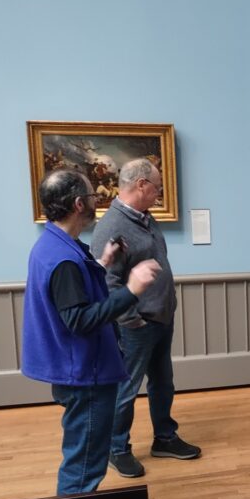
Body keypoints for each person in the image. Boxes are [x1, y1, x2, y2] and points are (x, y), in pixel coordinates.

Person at [22, 169, 160, 495]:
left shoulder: (52, 246)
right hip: (84, 374)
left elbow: (73, 292)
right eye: (93, 196)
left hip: (76, 370)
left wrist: (102, 262)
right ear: (78, 203)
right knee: (84, 463)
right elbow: (80, 320)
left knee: (82, 453)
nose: (98, 201)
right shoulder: (63, 260)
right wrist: (132, 290)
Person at [91, 158, 200, 478]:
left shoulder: (146, 219)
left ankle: (164, 438)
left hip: (161, 317)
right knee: (126, 389)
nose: (159, 193)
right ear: (141, 185)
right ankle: (116, 448)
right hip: (136, 324)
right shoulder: (111, 226)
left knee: (163, 382)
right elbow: (107, 281)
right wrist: (131, 319)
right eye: (157, 187)